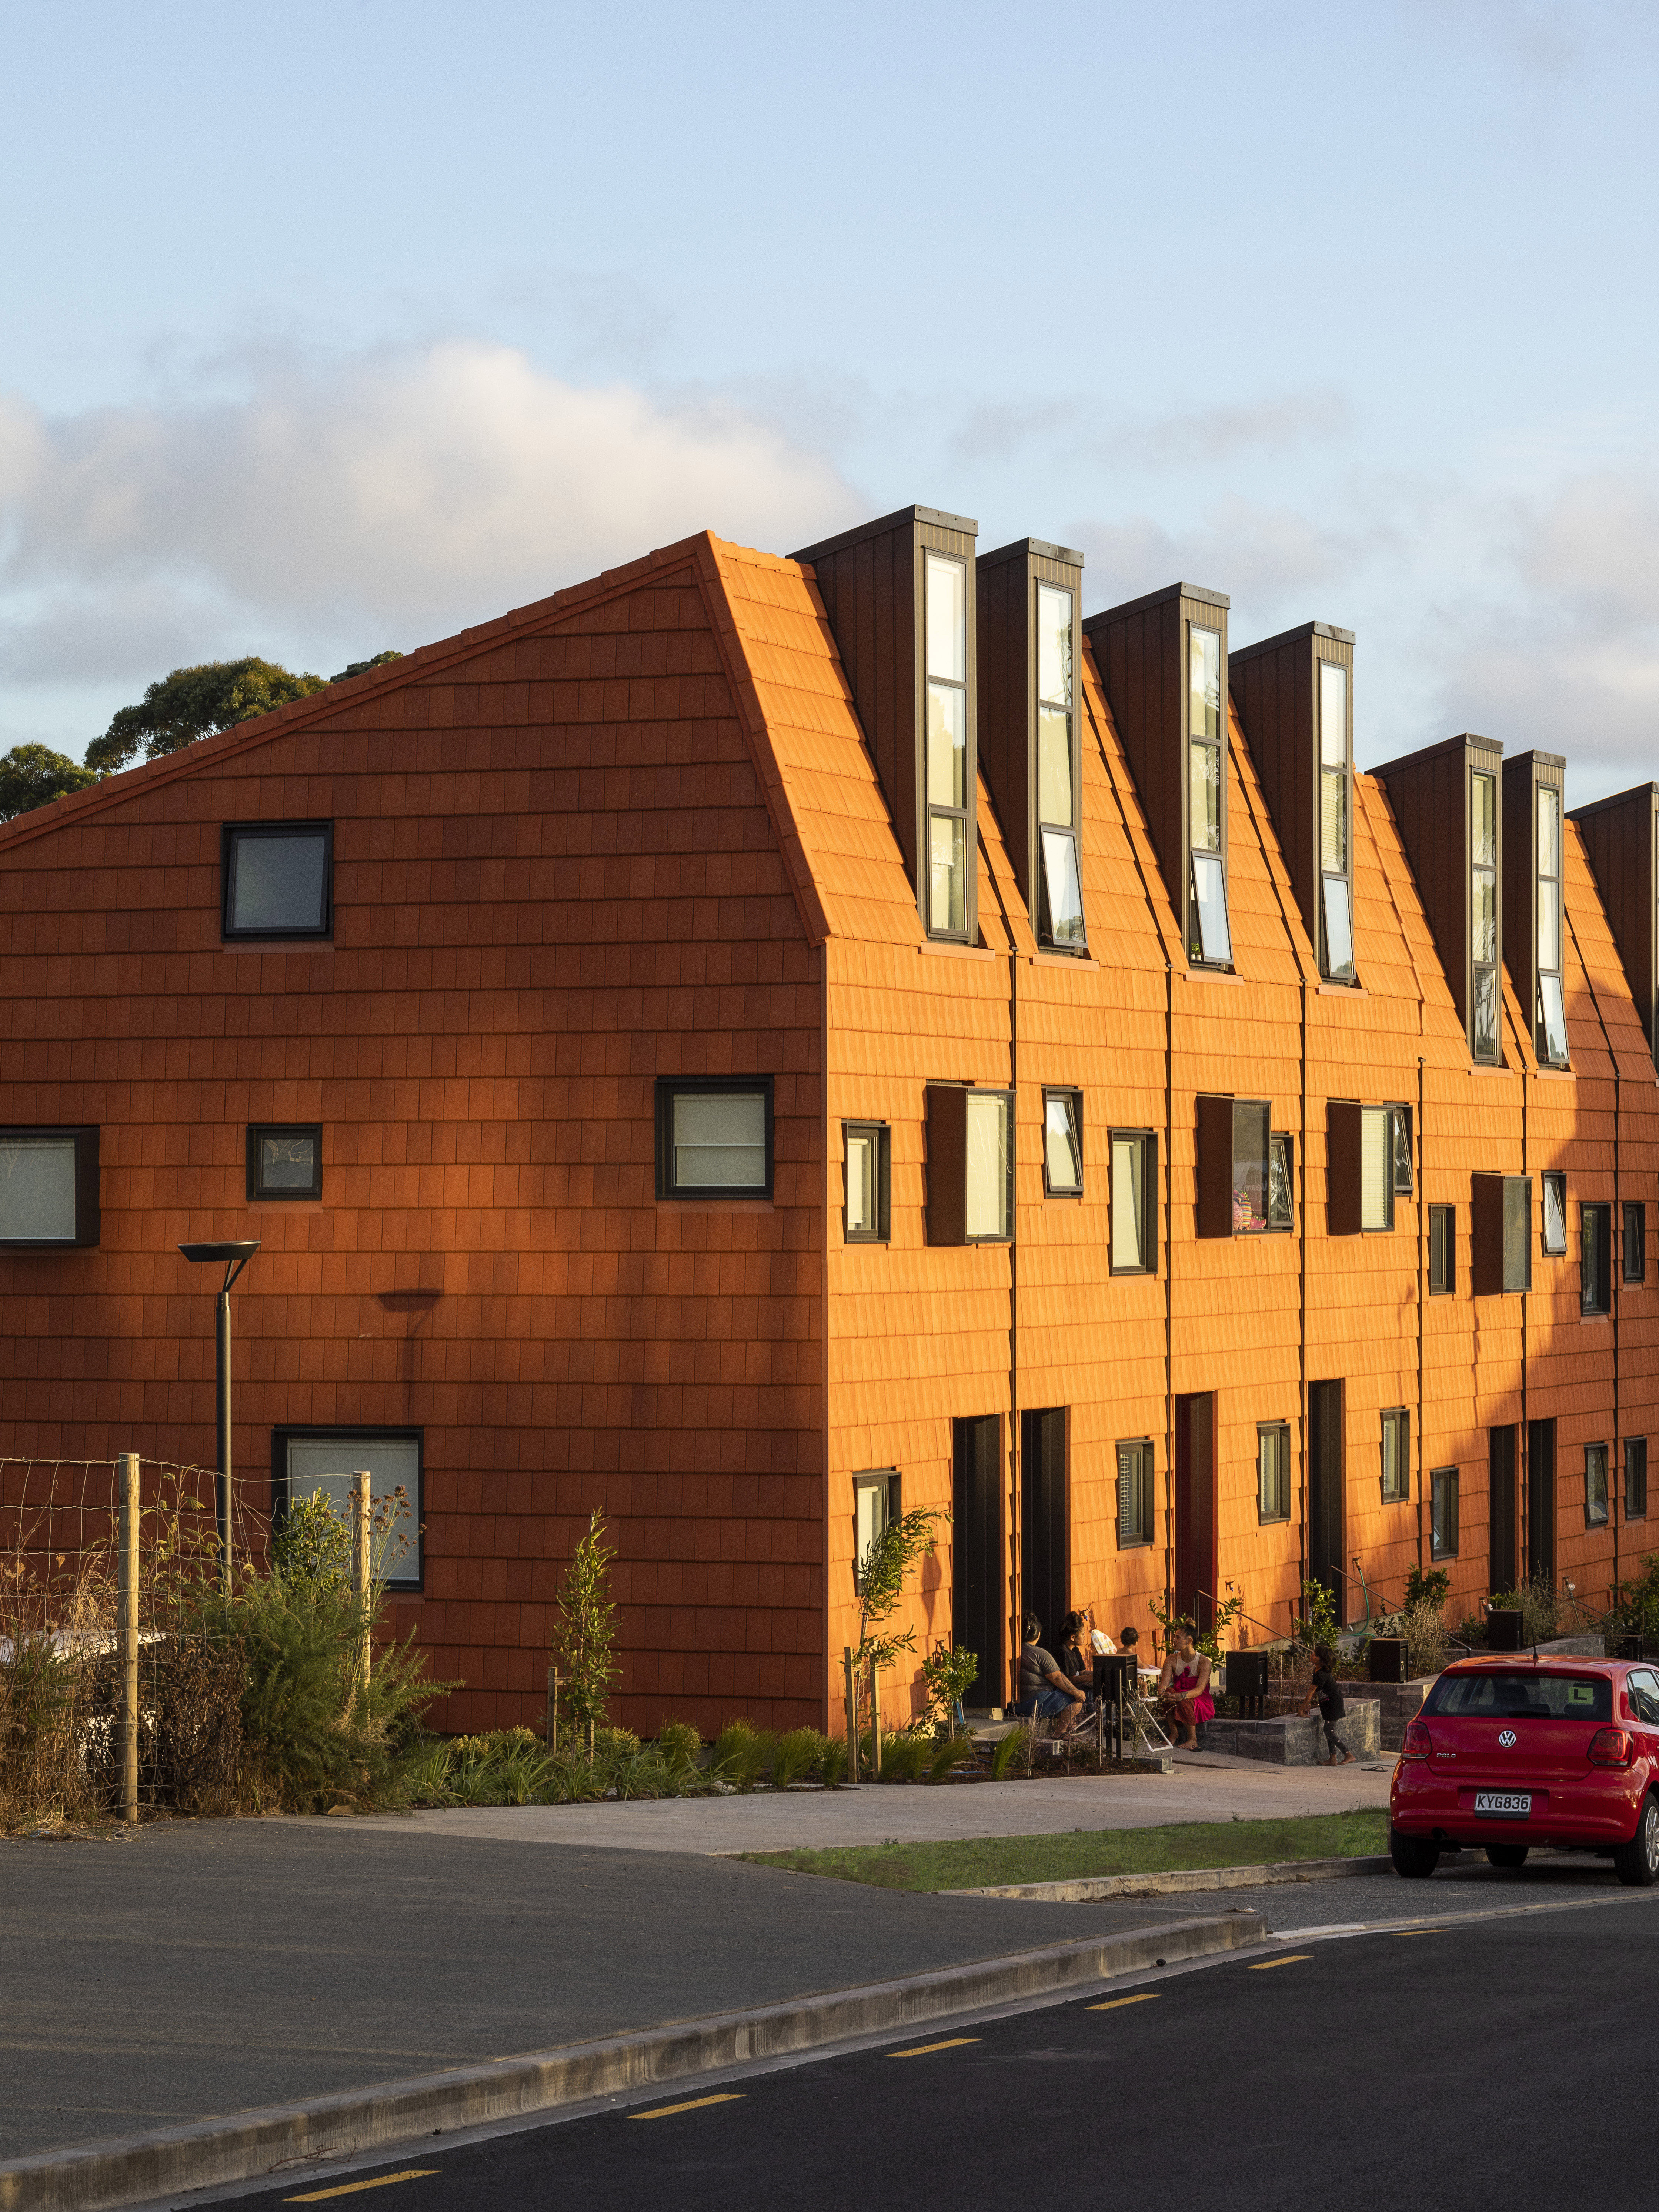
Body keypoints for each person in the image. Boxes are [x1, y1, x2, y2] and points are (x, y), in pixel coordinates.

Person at [1017, 1615, 1086, 1736]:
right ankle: (1060, 1733)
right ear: (1038, 1635)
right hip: (1033, 1704)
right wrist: (1076, 1692)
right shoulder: (1040, 1654)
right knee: (1076, 1702)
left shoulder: (1015, 1651)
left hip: (1016, 1705)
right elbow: (1057, 1677)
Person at [1157, 1624, 1214, 1750]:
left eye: (1178, 1637)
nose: (1174, 1640)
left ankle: (1193, 1739)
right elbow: (1164, 1685)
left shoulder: (1204, 1662)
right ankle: (1174, 1732)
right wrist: (1163, 1693)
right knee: (1169, 1694)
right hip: (1179, 1693)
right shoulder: (1171, 1660)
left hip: (1199, 1698)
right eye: (1174, 1637)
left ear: (1189, 1641)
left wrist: (1181, 1696)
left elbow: (1200, 1690)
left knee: (1183, 1700)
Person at [1300, 1644, 1354, 1765]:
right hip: (1328, 1704)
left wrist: (1302, 1708)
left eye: (1315, 1654)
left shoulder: (1321, 1674)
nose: (1312, 1655)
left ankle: (1348, 1754)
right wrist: (1308, 1705)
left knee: (1329, 1732)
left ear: (1321, 1659)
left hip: (1333, 1705)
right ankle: (1333, 1758)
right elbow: (1316, 1690)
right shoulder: (1318, 1671)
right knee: (1330, 1730)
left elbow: (1311, 1691)